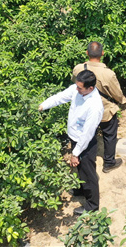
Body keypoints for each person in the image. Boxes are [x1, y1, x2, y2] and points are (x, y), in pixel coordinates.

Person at [39, 69, 103, 216]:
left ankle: (92, 206)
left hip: (85, 144)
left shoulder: (94, 106)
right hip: (75, 138)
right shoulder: (77, 90)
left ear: (90, 88)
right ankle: (82, 190)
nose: (76, 89)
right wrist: (43, 106)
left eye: (80, 87)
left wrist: (75, 153)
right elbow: (60, 97)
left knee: (88, 173)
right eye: (77, 86)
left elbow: (87, 134)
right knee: (80, 169)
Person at [72, 42, 126, 175]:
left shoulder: (78, 68)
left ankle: (85, 165)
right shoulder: (108, 73)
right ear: (102, 53)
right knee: (109, 134)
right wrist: (121, 101)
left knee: (87, 136)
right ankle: (109, 162)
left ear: (87, 53)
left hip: (85, 109)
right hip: (104, 110)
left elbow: (76, 85)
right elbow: (117, 93)